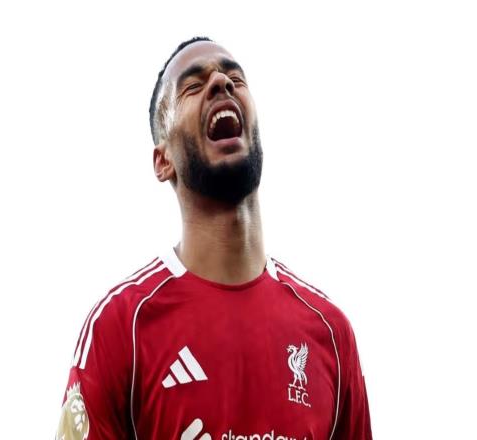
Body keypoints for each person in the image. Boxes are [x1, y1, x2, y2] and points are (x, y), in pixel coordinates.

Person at [56, 36, 373, 440]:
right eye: (192, 85)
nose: (221, 83)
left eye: (235, 79)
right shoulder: (119, 327)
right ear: (163, 161)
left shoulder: (330, 332)